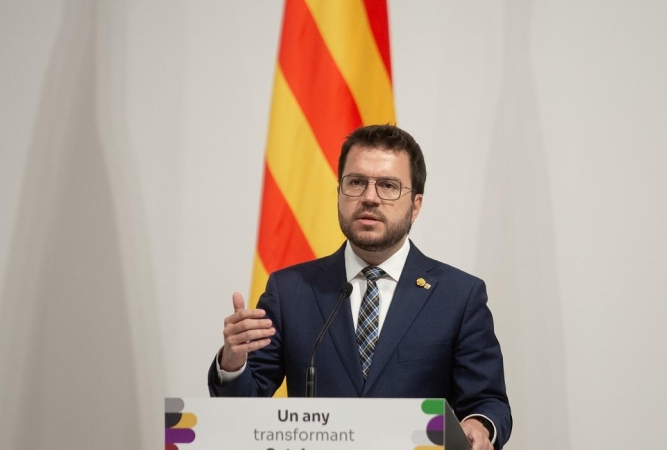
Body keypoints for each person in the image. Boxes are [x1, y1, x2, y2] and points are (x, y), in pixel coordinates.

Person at [209, 124, 512, 450]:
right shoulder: (290, 291)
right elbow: (244, 410)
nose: (369, 197)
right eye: (356, 183)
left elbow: (488, 402)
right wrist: (233, 363)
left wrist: (480, 426)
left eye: (388, 186)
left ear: (416, 205)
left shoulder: (458, 296)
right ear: (339, 192)